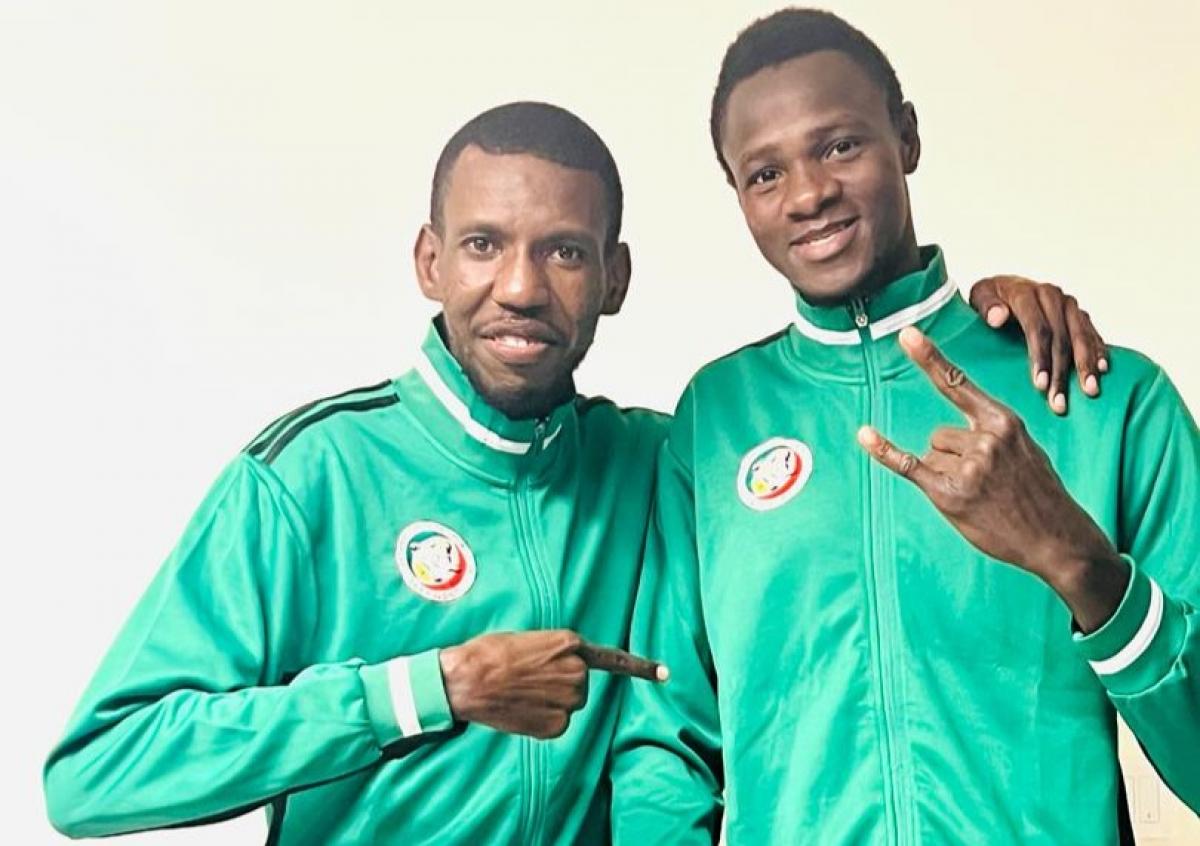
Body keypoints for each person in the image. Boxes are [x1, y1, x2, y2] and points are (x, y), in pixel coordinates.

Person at [44, 100, 1102, 843]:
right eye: (482, 245)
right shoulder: (310, 476)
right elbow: (96, 774)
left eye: (562, 251)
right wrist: (431, 689)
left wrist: (988, 317)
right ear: (429, 262)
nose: (519, 287)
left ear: (614, 277)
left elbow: (839, 421)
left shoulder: (663, 458)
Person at [611, 9, 1199, 845]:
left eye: (840, 146)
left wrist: (1082, 565)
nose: (809, 194)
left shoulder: (1103, 394)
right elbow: (666, 741)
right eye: (766, 174)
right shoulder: (715, 419)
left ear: (907, 137)